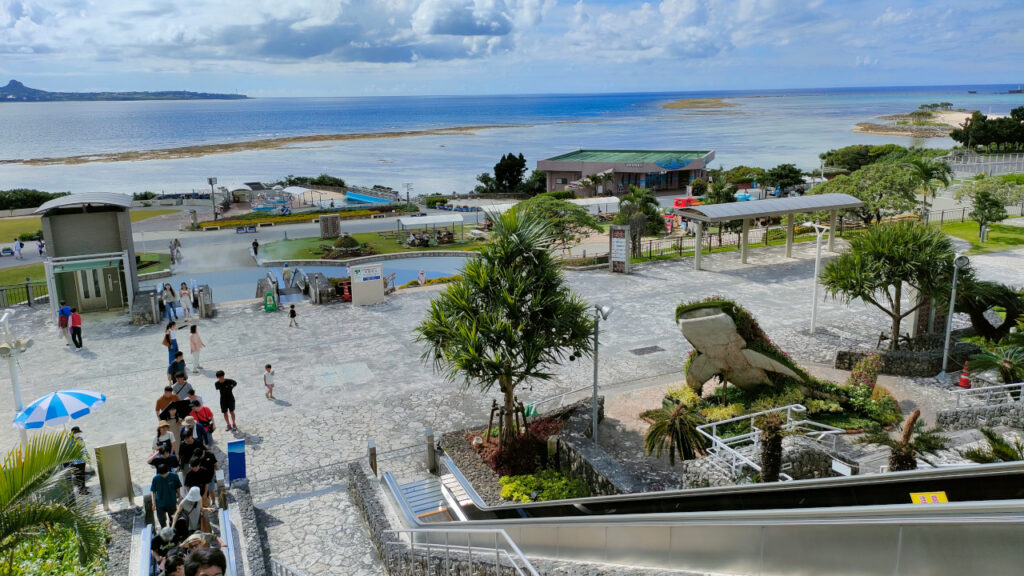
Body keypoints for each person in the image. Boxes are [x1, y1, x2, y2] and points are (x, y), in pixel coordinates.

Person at [150, 464, 182, 528]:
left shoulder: (174, 476)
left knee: (173, 520)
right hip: (160, 503)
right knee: (162, 521)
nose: (164, 475)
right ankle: (164, 534)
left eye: (165, 473)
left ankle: (173, 533)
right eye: (162, 474)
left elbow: (177, 487)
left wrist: (179, 497)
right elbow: (153, 491)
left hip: (171, 502)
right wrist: (153, 503)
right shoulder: (156, 478)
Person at [65, 426, 88, 494]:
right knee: (78, 475)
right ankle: (81, 490)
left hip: (82, 459)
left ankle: (83, 487)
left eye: (78, 433)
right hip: (75, 461)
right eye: (77, 433)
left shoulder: (80, 438)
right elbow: (70, 451)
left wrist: (87, 455)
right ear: (73, 433)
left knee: (83, 474)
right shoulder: (70, 441)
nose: (78, 434)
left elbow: (84, 448)